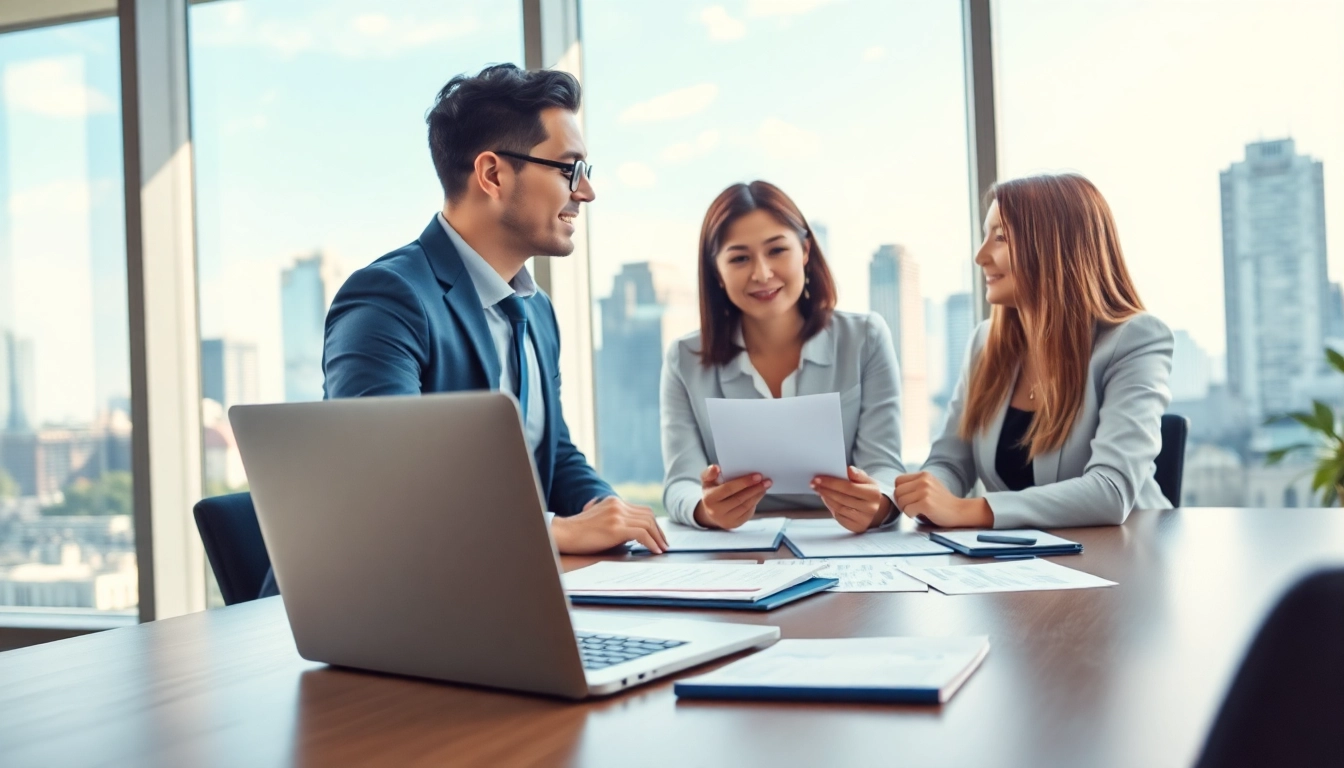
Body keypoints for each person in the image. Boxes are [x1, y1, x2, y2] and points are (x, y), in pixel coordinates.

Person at [258, 64, 666, 598]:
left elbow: (553, 453)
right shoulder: (386, 297)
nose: (585, 191)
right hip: (373, 609)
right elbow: (387, 481)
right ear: (493, 175)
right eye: (569, 169)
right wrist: (558, 532)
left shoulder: (535, 309)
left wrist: (608, 515)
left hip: (499, 595)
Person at [894, 172, 1173, 529]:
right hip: (1023, 567)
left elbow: (1110, 491)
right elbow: (950, 463)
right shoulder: (985, 344)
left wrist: (968, 511)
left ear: (1054, 248)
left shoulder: (1135, 339)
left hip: (1124, 559)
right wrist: (926, 497)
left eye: (1000, 238)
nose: (981, 256)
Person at [661, 181, 904, 533]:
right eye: (740, 258)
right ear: (716, 271)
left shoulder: (865, 338)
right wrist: (706, 510)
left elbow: (884, 468)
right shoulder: (684, 358)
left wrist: (877, 505)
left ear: (805, 251)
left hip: (844, 541)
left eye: (777, 251)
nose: (762, 273)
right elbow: (680, 483)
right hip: (739, 547)